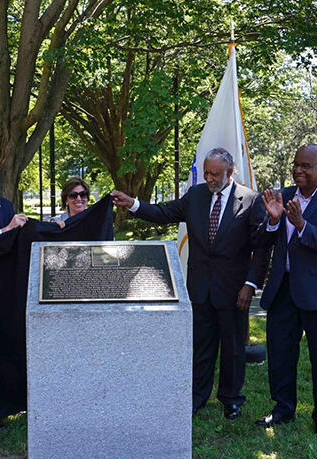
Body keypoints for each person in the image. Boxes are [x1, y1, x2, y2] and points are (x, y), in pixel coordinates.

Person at [111, 147, 268, 419]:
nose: (209, 177)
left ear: (230, 173)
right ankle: (197, 397)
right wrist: (133, 204)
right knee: (201, 346)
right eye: (206, 172)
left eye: (215, 173)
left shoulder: (250, 201)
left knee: (232, 348)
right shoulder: (195, 196)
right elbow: (164, 212)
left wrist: (250, 284)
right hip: (200, 287)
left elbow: (261, 248)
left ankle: (231, 399)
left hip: (234, 291)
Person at [255, 144, 317, 439]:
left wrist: (301, 225)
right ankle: (283, 408)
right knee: (280, 354)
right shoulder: (282, 196)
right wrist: (272, 221)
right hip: (283, 290)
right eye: (296, 165)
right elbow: (262, 240)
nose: (298, 170)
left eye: (306, 166)